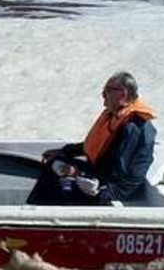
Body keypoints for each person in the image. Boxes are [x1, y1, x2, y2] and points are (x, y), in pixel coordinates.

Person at [27, 71, 156, 206]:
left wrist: (79, 173)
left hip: (114, 189)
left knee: (61, 186)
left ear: (122, 94)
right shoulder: (116, 116)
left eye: (107, 91)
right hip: (101, 175)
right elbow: (96, 145)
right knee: (55, 162)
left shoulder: (133, 128)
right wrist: (64, 151)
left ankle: (40, 214)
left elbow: (118, 172)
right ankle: (33, 207)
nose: (103, 96)